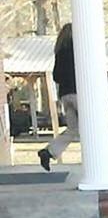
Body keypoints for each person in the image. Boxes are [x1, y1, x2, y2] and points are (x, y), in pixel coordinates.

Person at [38, 23, 78, 171]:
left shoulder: (59, 51)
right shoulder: (77, 48)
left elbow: (56, 76)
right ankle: (100, 163)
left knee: (73, 129)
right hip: (78, 93)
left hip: (65, 96)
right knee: (93, 124)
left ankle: (49, 152)